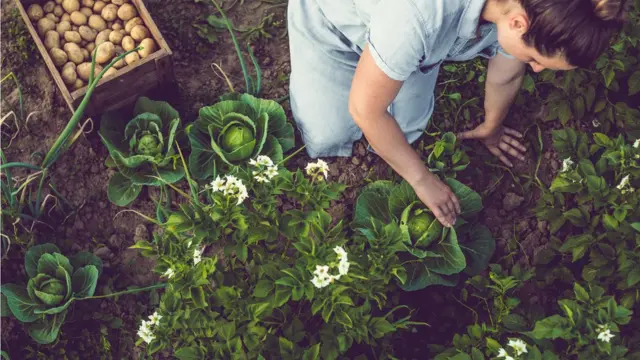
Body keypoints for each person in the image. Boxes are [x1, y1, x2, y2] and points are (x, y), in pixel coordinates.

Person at [287, 0, 627, 227]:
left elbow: (506, 71)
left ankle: (391, 71)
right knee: (327, 135)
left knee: (407, 130)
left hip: (411, 47)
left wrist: (492, 126)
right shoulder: (416, 17)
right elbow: (366, 110)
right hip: (336, 27)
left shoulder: (524, 10)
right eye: (535, 59)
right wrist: (423, 180)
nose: (536, 70)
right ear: (518, 23)